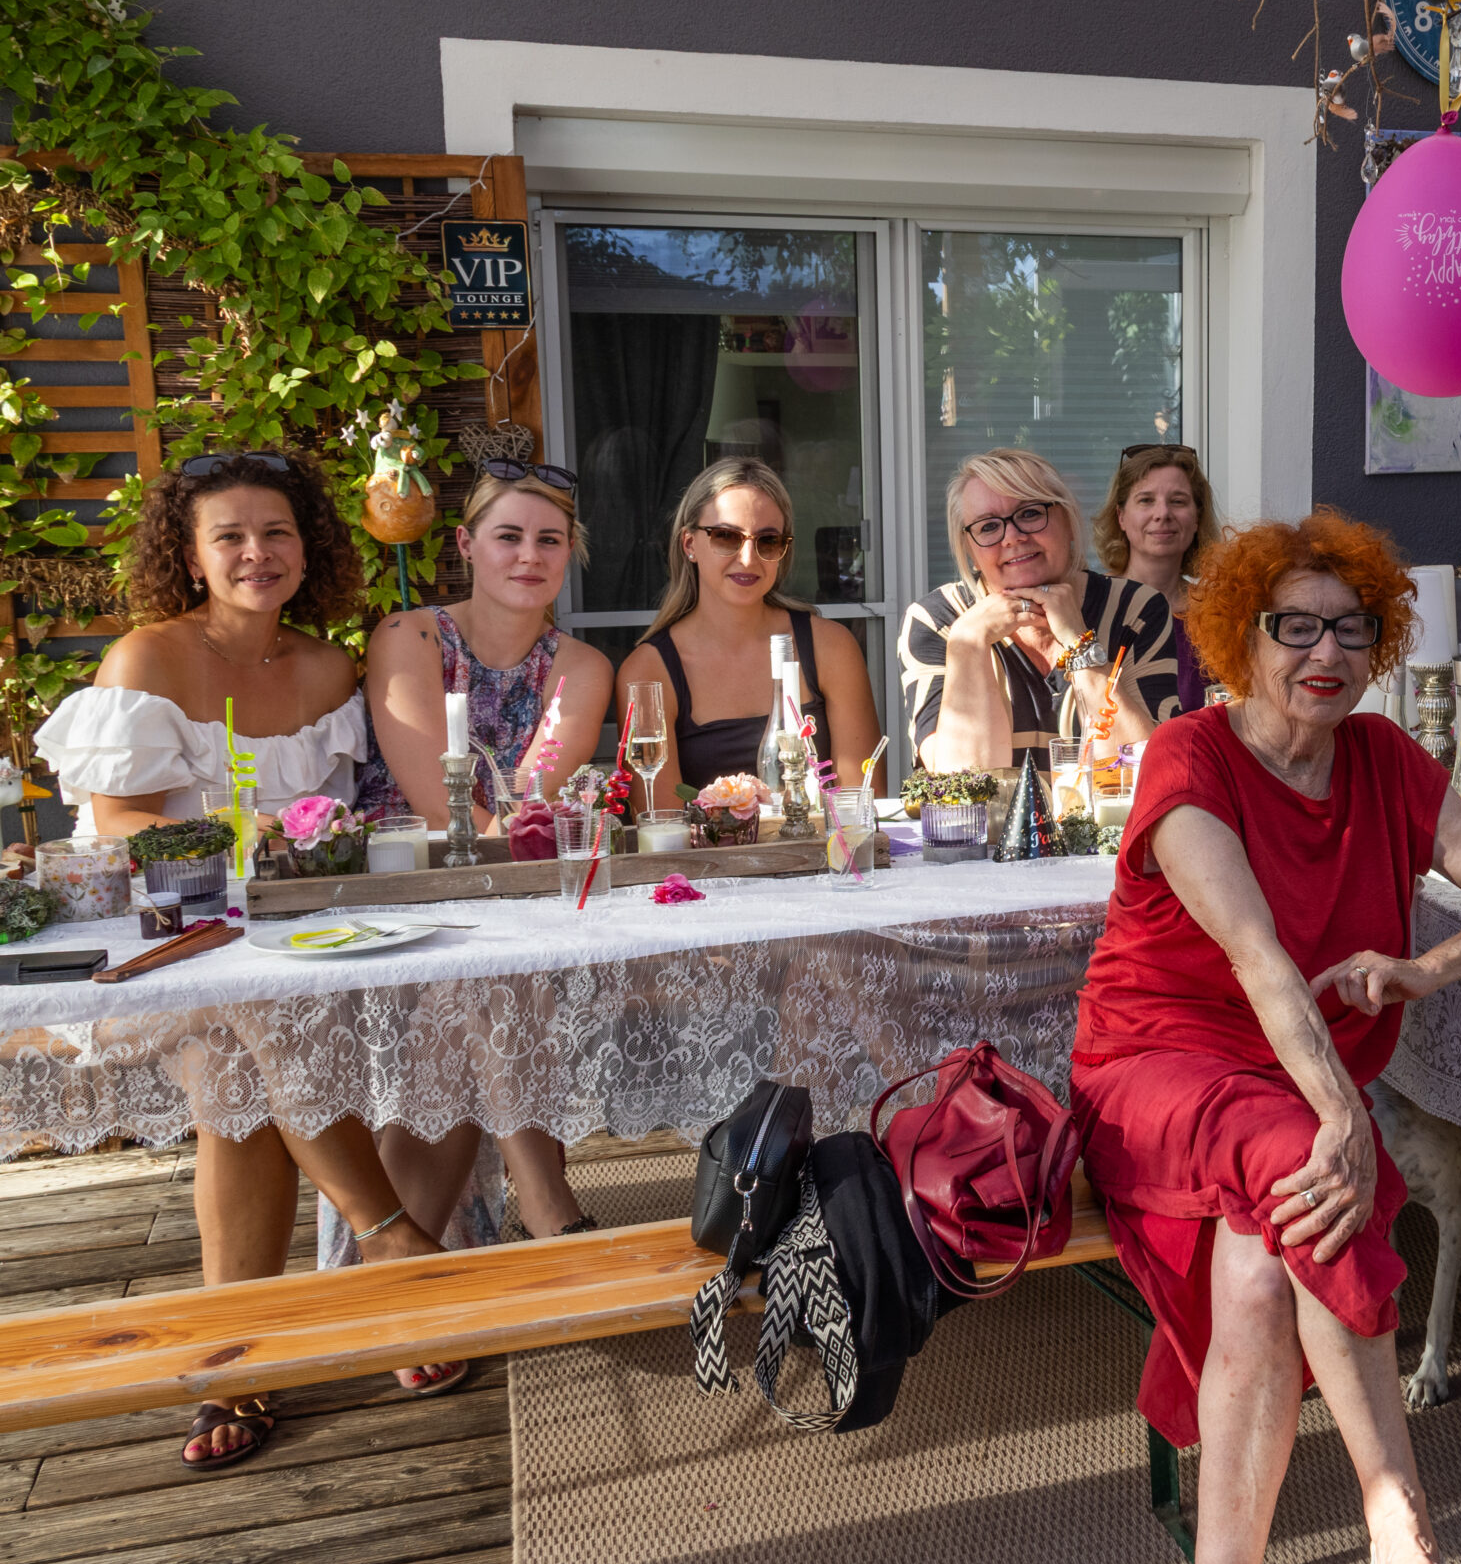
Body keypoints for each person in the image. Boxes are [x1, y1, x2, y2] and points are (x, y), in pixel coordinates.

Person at [1071, 511, 1461, 1564]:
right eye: (1294, 628)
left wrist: (1426, 969)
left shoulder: (1384, 758)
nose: (1326, 655)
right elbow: (1260, 961)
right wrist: (1342, 1120)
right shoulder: (1187, 754)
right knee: (1310, 1165)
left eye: (1352, 631)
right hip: (1160, 1065)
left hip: (1291, 1081)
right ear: (1239, 635)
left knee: (1256, 1273)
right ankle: (1401, 1521)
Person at [31, 449, 466, 1469]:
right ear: (189, 557)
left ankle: (241, 1364)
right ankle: (389, 1236)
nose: (256, 554)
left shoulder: (327, 668)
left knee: (246, 1072)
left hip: (306, 938)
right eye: (228, 536)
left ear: (305, 545)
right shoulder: (149, 660)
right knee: (251, 1021)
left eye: (275, 532)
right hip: (172, 940)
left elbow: (352, 821)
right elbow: (124, 832)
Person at [356, 464, 613, 1243]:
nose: (529, 555)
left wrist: (506, 849)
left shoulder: (581, 666)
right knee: (479, 971)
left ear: (569, 554)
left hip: (507, 888)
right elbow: (437, 802)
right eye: (508, 536)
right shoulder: (410, 637)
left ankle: (404, 1262)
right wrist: (500, 846)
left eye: (549, 539)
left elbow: (525, 808)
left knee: (477, 977)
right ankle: (544, 1195)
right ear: (467, 544)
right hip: (401, 882)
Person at [899, 447, 1177, 773]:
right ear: (970, 551)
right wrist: (969, 643)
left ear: (1069, 522)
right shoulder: (938, 620)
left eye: (1030, 513)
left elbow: (1149, 771)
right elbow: (960, 784)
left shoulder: (1136, 610)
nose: (1013, 537)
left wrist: (1079, 643)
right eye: (988, 527)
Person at [616, 458, 881, 794]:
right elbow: (661, 828)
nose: (748, 558)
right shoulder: (648, 670)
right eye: (726, 536)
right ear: (689, 544)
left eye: (767, 541)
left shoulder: (830, 646)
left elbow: (861, 803)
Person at [1096, 441, 1219, 715]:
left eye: (1178, 501)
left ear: (1197, 518)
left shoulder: (1218, 614)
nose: (1162, 514)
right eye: (1146, 500)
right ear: (1121, 517)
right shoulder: (1091, 605)